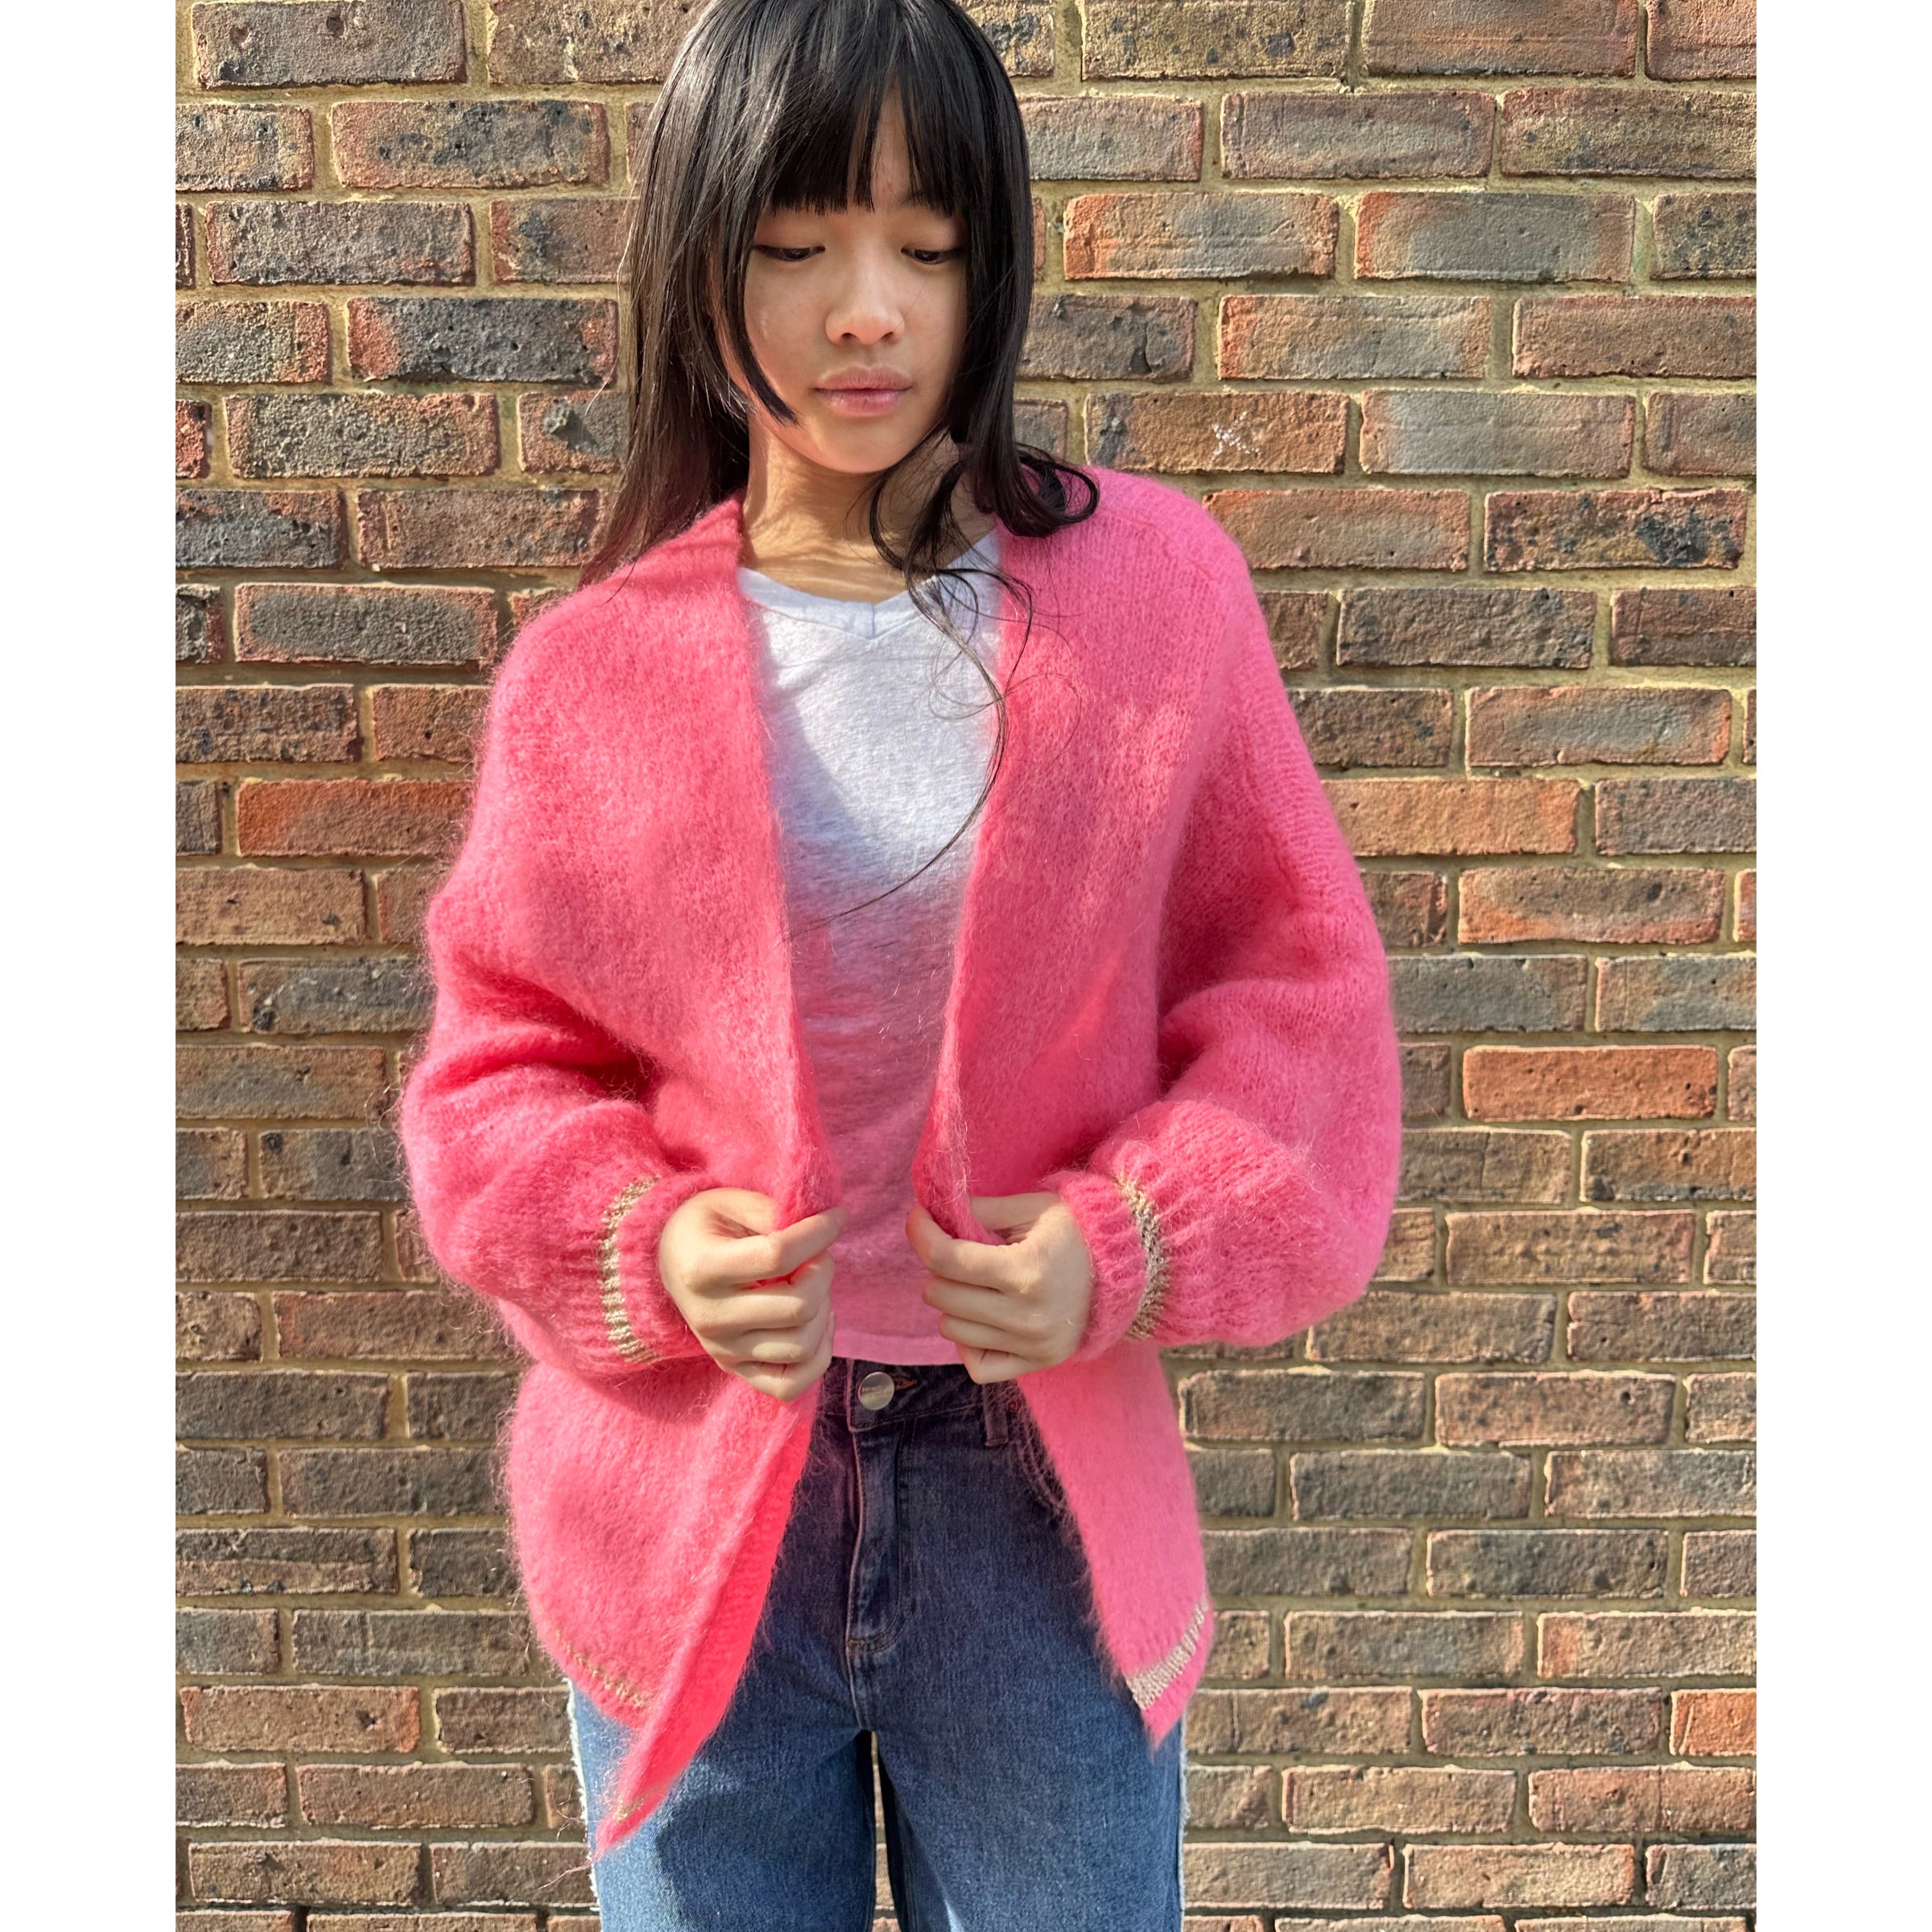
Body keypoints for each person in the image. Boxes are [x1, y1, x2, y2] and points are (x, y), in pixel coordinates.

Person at [398, 0, 1403, 1924]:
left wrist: (1131, 1239)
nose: (865, 311)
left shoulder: (1155, 600)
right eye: (796, 244)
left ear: (990, 266)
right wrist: (641, 1242)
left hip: (1036, 1508)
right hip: (690, 1505)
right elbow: (495, 1075)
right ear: (701, 260)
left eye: (926, 246)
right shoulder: (587, 680)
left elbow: (1305, 1010)